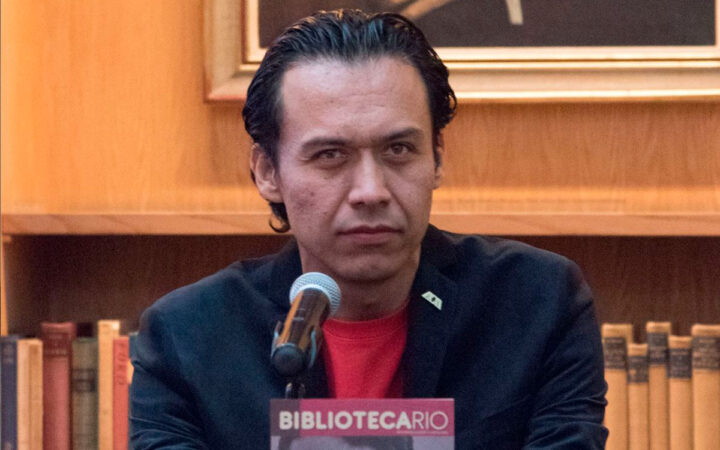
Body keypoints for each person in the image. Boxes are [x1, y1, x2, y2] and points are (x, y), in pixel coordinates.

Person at [130, 9, 607, 449]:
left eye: (398, 150)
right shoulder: (188, 335)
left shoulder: (536, 302)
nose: (371, 191)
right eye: (330, 155)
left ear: (437, 158)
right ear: (267, 172)